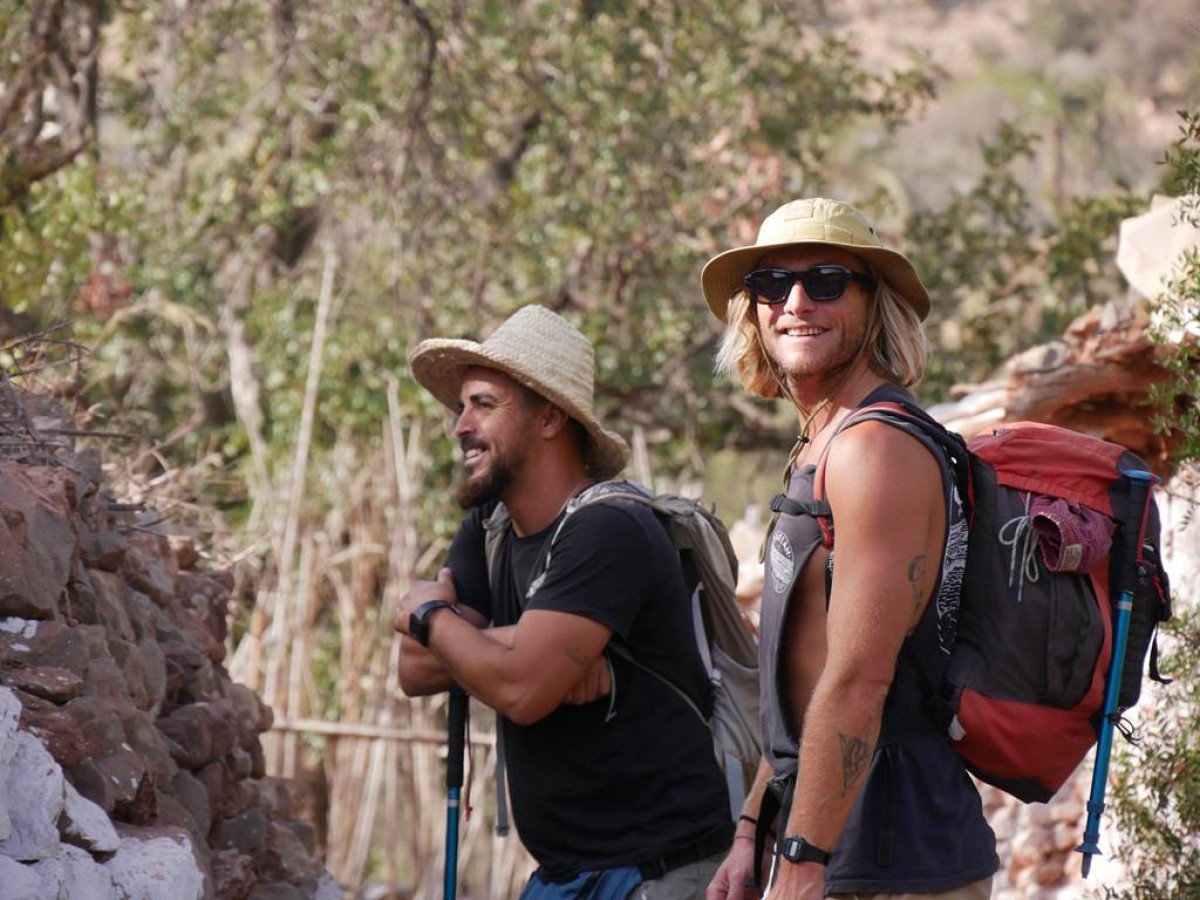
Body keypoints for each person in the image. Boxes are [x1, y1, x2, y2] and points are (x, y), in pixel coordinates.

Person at [699, 199, 998, 900]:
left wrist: (802, 858)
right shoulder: (822, 443)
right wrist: (753, 831)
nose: (795, 302)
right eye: (771, 285)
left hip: (892, 857)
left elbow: (861, 675)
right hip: (832, 839)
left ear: (874, 302)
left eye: (827, 280)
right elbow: (804, 674)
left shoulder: (875, 448)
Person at [395, 304, 734, 899]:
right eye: (460, 407)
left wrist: (427, 614)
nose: (459, 426)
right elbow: (415, 669)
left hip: (662, 872)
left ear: (550, 418)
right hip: (563, 876)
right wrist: (517, 651)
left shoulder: (608, 529)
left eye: (484, 405)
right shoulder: (489, 526)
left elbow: (521, 691)